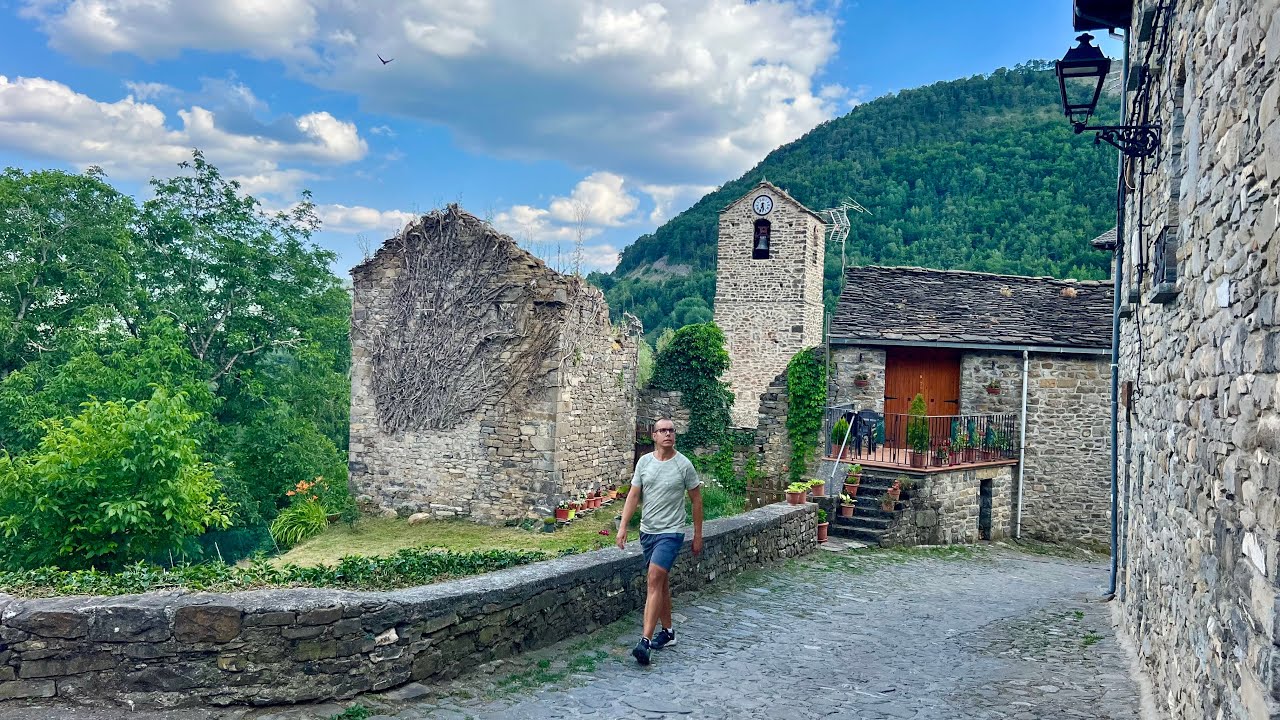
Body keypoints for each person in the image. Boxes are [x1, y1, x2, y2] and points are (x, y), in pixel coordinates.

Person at [615, 417, 703, 666]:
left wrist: (697, 535)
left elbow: (696, 500)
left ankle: (644, 641)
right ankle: (668, 632)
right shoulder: (644, 462)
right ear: (654, 436)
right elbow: (633, 495)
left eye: (671, 430)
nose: (668, 434)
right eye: (662, 430)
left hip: (672, 532)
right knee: (660, 582)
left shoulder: (684, 465)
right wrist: (623, 527)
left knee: (653, 578)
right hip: (648, 532)